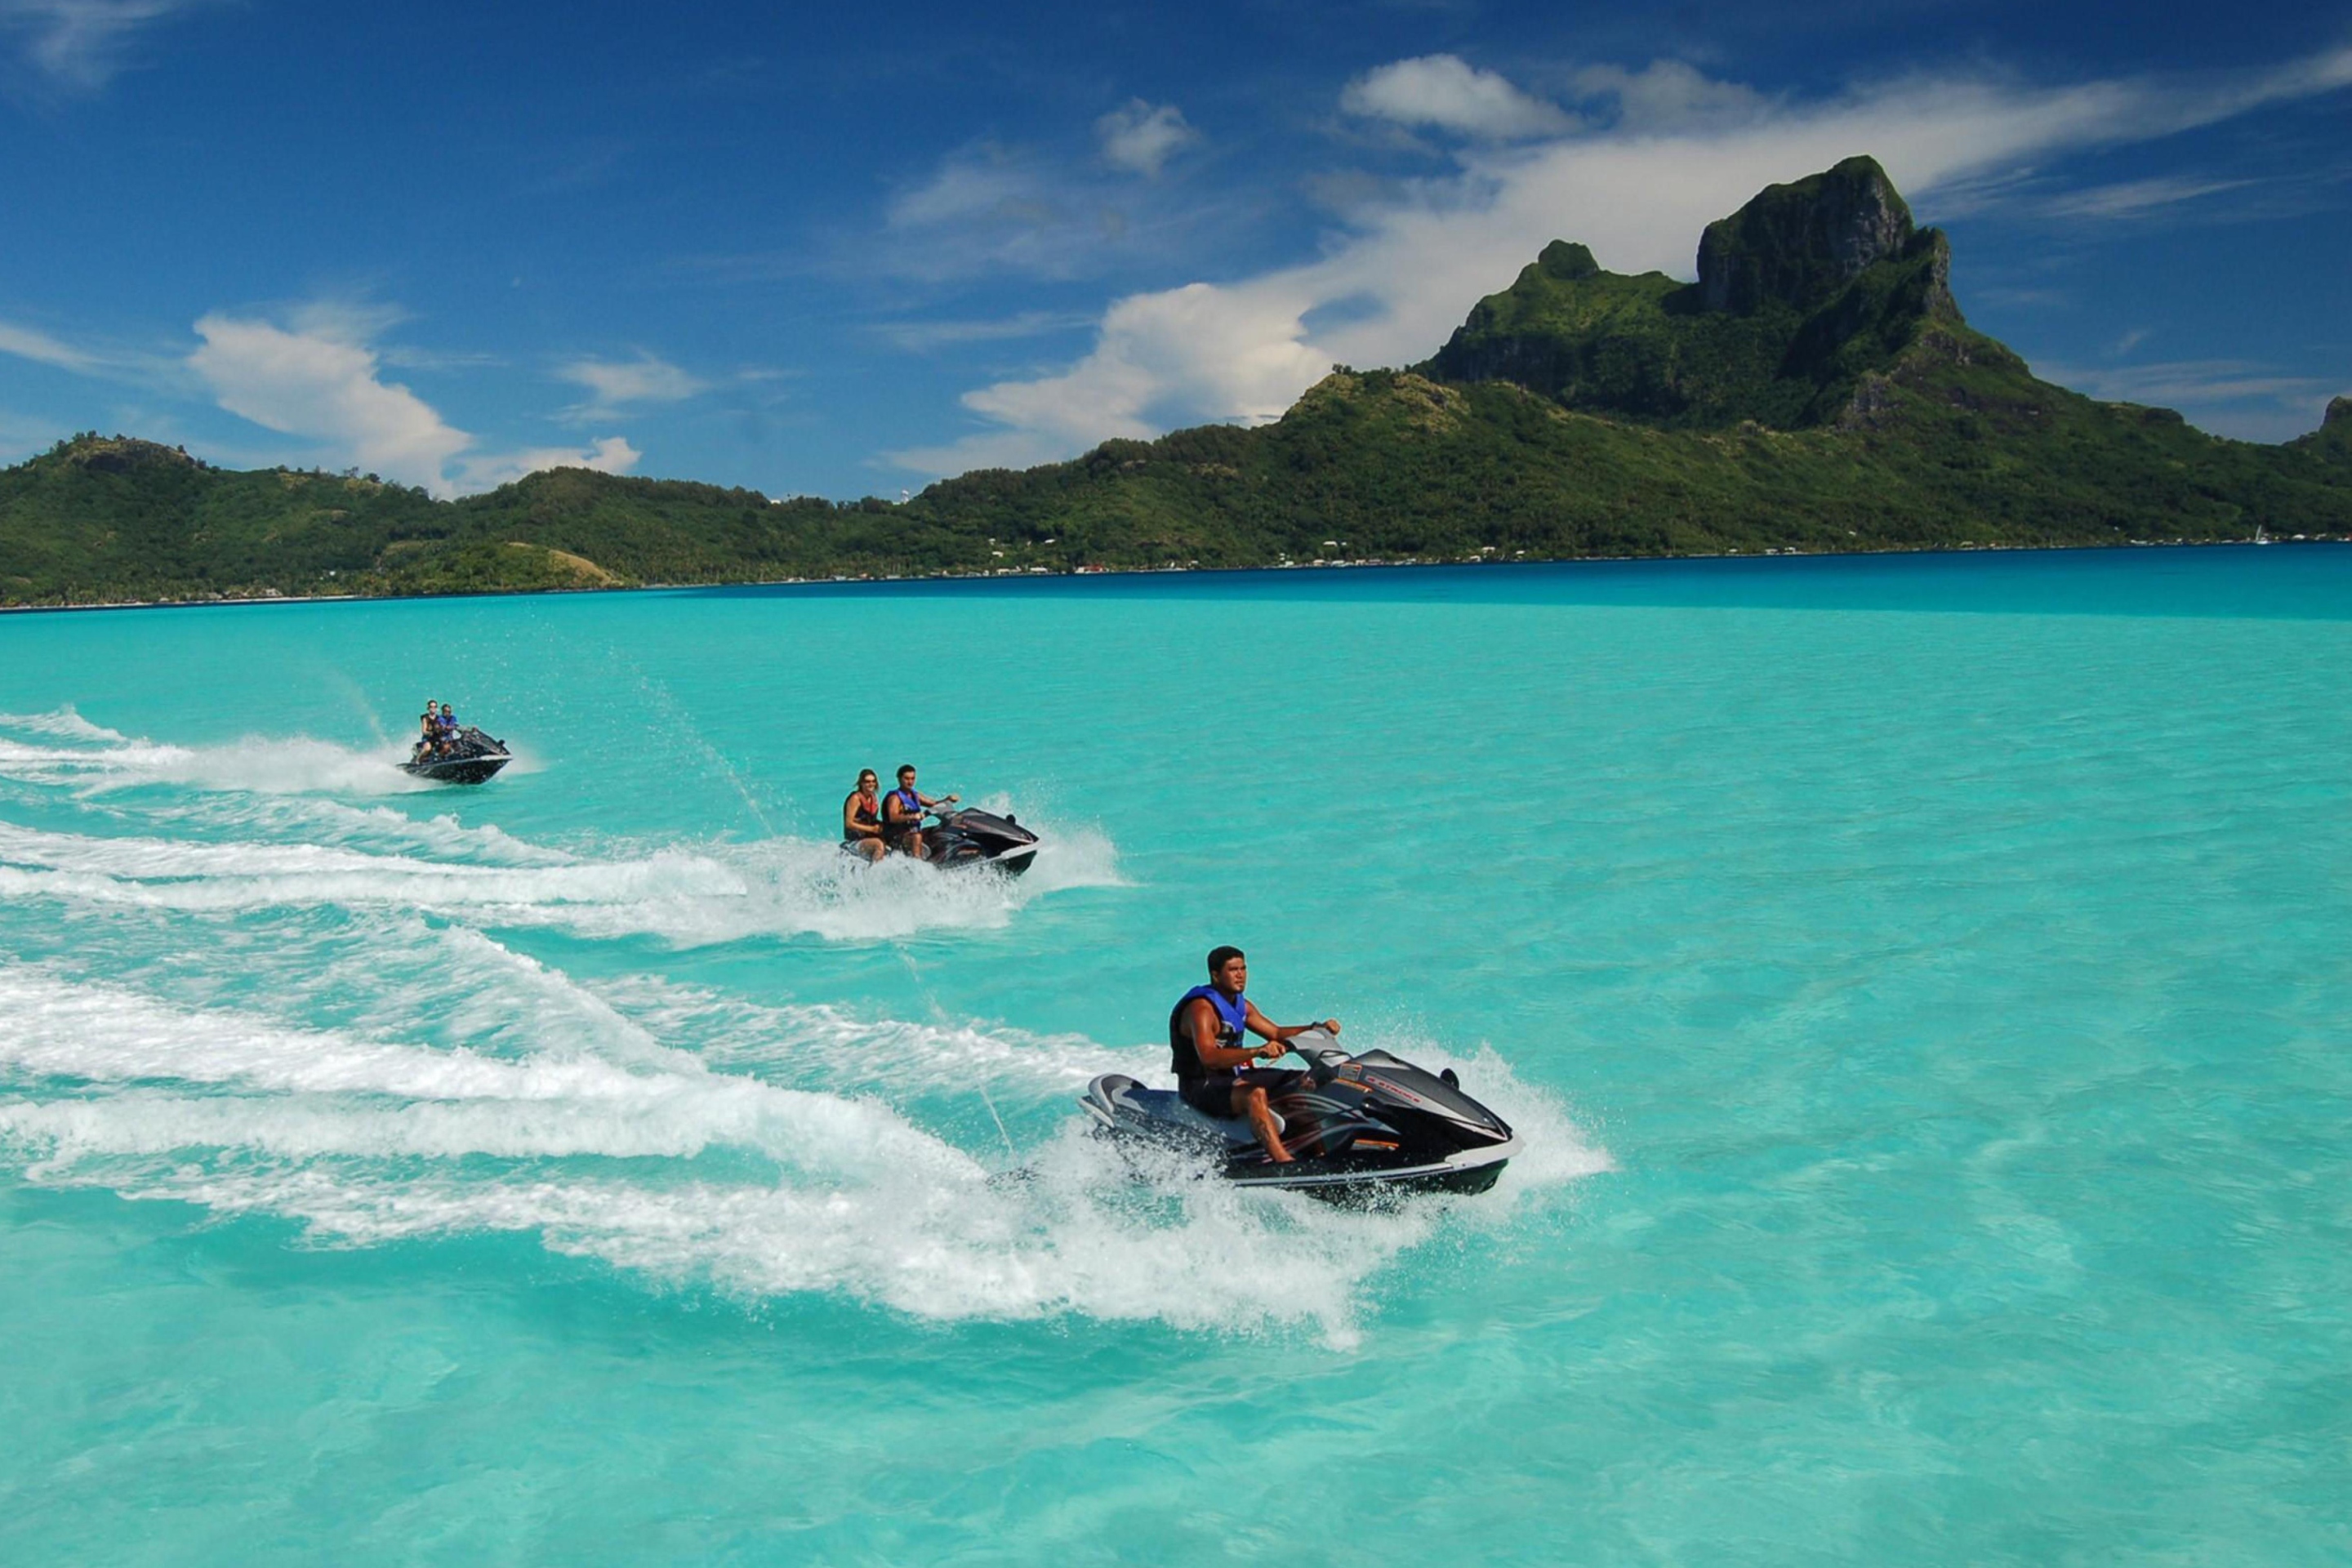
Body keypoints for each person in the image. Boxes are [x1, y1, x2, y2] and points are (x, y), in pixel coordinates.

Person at [1169, 945, 1340, 1165]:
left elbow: (1276, 1032)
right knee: (1254, 1094)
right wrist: (1257, 1051)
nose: (1240, 975)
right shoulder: (1201, 1010)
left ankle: (1317, 1151)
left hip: (1230, 1078)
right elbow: (1209, 1057)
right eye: (1233, 970)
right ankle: (1283, 1162)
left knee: (1302, 1080)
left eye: (1243, 969)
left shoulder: (1241, 1005)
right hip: (1199, 1086)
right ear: (1215, 975)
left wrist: (1317, 1027)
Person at [881, 764, 958, 860]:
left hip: (911, 832)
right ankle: (917, 864)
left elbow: (934, 803)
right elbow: (893, 817)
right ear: (899, 779)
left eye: (912, 779)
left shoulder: (915, 795)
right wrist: (913, 816)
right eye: (907, 779)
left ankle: (940, 858)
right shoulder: (895, 798)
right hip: (896, 837)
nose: (910, 782)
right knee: (917, 837)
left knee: (938, 831)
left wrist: (948, 799)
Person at [842, 769, 888, 862]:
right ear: (861, 783)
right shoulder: (855, 799)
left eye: (873, 781)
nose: (871, 784)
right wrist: (871, 829)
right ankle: (873, 873)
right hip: (854, 842)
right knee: (878, 845)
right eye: (867, 782)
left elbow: (871, 820)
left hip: (867, 838)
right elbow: (849, 823)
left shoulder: (873, 798)